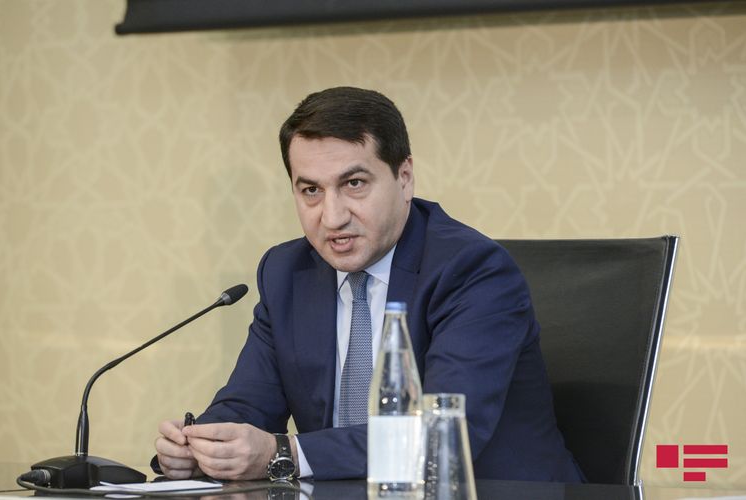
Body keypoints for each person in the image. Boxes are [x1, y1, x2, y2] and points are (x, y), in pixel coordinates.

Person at [153, 87, 584, 483]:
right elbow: (248, 403)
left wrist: (284, 452)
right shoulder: (286, 272)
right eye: (311, 190)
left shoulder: (472, 271)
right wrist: (201, 446)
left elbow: (442, 436)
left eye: (354, 184)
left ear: (404, 177)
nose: (332, 216)